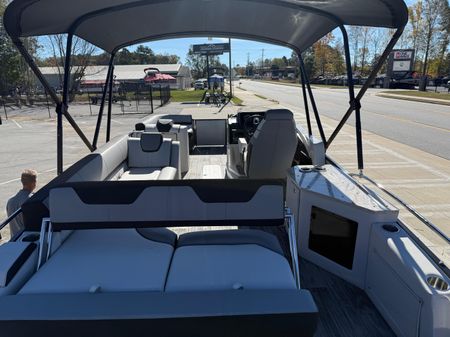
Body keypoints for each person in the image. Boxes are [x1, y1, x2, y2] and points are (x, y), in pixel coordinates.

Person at [6, 169, 37, 237]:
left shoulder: (10, 201)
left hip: (15, 240)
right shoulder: (32, 200)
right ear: (33, 183)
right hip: (27, 239)